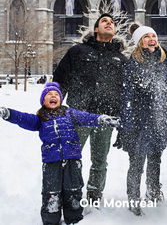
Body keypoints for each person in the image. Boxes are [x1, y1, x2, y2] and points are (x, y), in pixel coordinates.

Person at [0, 82, 119, 225]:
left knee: (74, 190)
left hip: (72, 160)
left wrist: (100, 119)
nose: (53, 96)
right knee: (51, 192)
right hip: (51, 162)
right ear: (43, 101)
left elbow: (86, 117)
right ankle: (51, 220)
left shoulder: (70, 113)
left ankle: (74, 219)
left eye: (56, 94)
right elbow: (23, 118)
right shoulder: (40, 119)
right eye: (49, 94)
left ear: (60, 99)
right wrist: (9, 113)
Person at [53, 13, 127, 203]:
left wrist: (122, 120)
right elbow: (60, 79)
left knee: (100, 161)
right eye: (104, 21)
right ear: (95, 29)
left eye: (112, 22)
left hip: (106, 116)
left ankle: (94, 195)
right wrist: (54, 105)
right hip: (79, 114)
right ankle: (71, 192)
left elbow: (125, 92)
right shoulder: (78, 51)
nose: (109, 23)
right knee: (71, 158)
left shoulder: (120, 59)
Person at [118, 23, 167, 216]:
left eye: (153, 36)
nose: (151, 39)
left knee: (156, 159)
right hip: (138, 122)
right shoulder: (132, 63)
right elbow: (127, 96)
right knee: (137, 163)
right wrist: (125, 125)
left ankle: (154, 192)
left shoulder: (164, 62)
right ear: (140, 42)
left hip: (159, 120)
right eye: (146, 36)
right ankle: (134, 199)